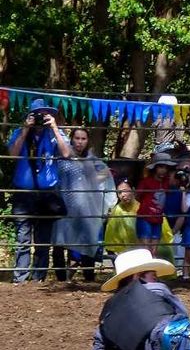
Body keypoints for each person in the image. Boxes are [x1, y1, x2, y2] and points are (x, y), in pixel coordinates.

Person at [7, 98, 72, 282]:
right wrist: (26, 128)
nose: (40, 119)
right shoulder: (20, 132)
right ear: (29, 116)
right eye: (37, 115)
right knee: (23, 237)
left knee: (43, 240)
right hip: (23, 194)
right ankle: (20, 278)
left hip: (47, 195)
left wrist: (55, 128)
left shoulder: (54, 134)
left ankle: (38, 279)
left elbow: (66, 153)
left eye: (45, 115)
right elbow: (12, 154)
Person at [52, 128, 116, 282]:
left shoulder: (92, 161)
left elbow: (106, 174)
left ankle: (89, 278)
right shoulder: (63, 157)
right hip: (64, 207)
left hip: (86, 208)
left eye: (83, 139)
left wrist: (92, 177)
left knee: (88, 240)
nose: (80, 142)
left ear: (87, 141)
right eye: (77, 138)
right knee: (60, 242)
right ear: (72, 139)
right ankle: (61, 280)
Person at [104, 179, 176, 262]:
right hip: (130, 254)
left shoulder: (146, 206)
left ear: (133, 190)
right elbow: (110, 240)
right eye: (119, 193)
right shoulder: (117, 211)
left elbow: (164, 232)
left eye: (125, 191)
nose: (123, 195)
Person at [135, 152, 176, 254]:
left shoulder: (167, 182)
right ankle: (145, 269)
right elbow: (137, 197)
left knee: (154, 251)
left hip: (158, 219)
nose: (164, 170)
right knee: (145, 249)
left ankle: (151, 270)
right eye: (161, 167)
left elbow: (180, 181)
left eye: (166, 167)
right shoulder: (145, 182)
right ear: (155, 168)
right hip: (145, 218)